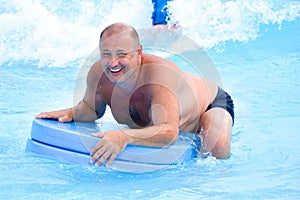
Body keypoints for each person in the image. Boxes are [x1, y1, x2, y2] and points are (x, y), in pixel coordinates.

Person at [36, 23, 234, 167]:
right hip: (172, 120)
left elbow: (169, 132)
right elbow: (91, 110)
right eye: (106, 54)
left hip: (211, 103)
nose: (113, 63)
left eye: (122, 54)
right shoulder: (98, 74)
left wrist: (124, 136)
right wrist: (73, 113)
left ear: (138, 52)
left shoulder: (160, 75)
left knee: (215, 149)